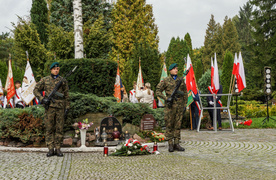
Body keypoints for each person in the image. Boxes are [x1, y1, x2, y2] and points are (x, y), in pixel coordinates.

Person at [34, 62, 70, 157]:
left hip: (60, 107)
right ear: (51, 70)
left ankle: (58, 149)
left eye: (57, 69)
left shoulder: (62, 80)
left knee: (59, 128)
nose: (56, 70)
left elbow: (66, 95)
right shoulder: (45, 80)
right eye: (54, 69)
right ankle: (50, 149)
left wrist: (67, 107)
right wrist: (42, 99)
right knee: (49, 128)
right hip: (49, 107)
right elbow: (35, 90)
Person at [156, 63, 187, 152]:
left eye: (177, 69)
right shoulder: (165, 80)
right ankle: (170, 144)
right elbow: (158, 91)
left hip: (179, 107)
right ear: (170, 70)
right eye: (174, 69)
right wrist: (166, 98)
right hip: (170, 107)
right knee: (169, 125)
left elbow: (184, 93)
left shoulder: (180, 80)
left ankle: (176, 143)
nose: (176, 70)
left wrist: (185, 105)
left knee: (178, 125)